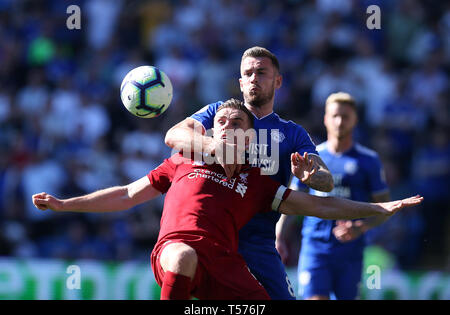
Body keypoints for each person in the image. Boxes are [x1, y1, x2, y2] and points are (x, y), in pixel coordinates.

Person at [32, 98, 423, 300]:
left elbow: (319, 204)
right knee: (183, 256)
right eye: (220, 122)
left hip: (225, 264)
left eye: (236, 123)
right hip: (176, 250)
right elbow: (128, 194)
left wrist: (377, 208)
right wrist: (67, 204)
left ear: (249, 138)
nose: (226, 127)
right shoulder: (183, 159)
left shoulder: (257, 182)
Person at [164, 46, 334, 299]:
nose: (254, 78)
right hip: (212, 236)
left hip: (259, 242)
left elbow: (327, 181)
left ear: (277, 81)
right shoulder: (219, 114)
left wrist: (312, 177)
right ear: (241, 83)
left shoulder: (293, 133)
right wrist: (214, 145)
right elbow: (174, 135)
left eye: (262, 72)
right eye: (249, 73)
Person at [289, 92, 393, 300]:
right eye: (335, 116)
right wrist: (280, 236)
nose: (339, 121)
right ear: (325, 119)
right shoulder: (311, 158)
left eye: (345, 116)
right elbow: (290, 201)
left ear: (355, 120)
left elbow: (384, 208)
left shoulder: (368, 160)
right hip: (314, 246)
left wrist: (361, 226)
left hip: (350, 251)